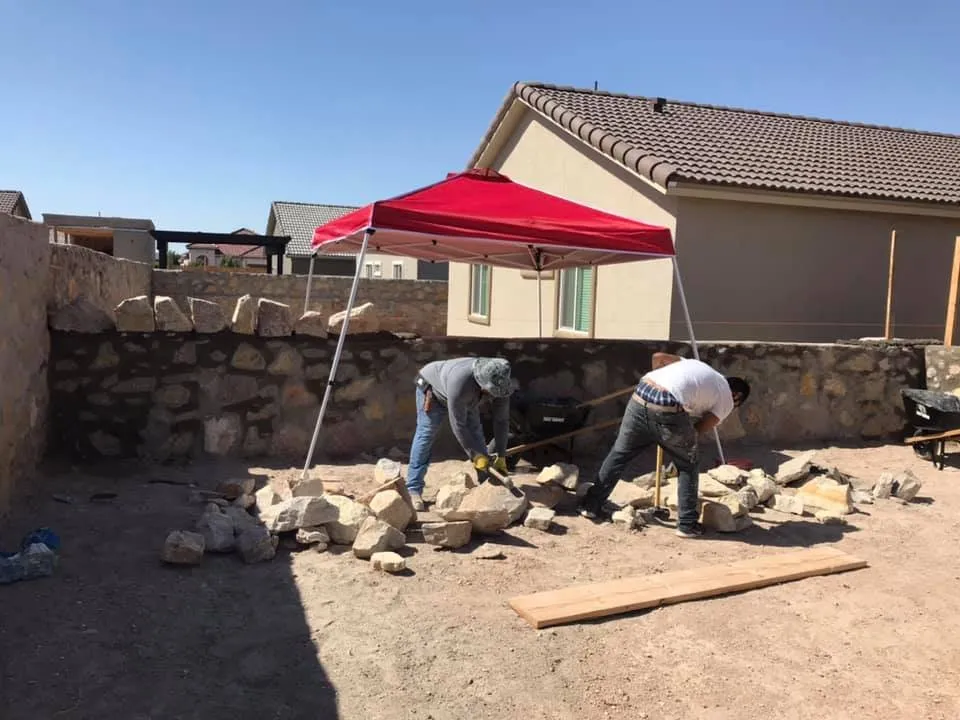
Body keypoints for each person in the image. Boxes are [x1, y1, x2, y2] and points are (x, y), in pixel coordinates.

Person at [579, 352, 751, 537]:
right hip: (669, 405)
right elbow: (700, 429)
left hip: (642, 393)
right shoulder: (726, 398)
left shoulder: (697, 366)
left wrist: (662, 389)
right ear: (736, 396)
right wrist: (678, 438)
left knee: (620, 453)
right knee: (688, 465)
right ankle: (687, 524)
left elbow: (658, 356)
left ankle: (591, 506)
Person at [404, 357, 514, 510]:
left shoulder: (501, 382)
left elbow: (501, 421)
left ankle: (486, 483)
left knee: (476, 431)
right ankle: (413, 489)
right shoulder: (461, 382)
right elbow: (458, 425)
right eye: (490, 391)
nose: (493, 395)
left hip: (466, 396)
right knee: (426, 433)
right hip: (432, 389)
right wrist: (475, 455)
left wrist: (501, 456)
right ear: (481, 381)